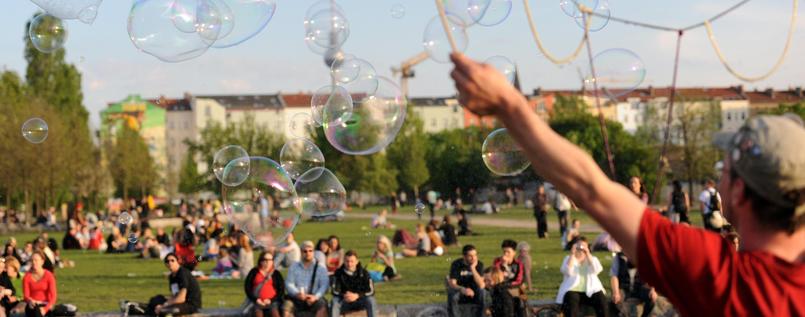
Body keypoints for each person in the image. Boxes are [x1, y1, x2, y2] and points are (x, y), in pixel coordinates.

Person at [449, 54, 805, 315]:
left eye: (724, 169)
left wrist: (508, 104)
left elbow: (590, 188)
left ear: (740, 192)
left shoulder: (720, 277)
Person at [556, 238, 608, 317]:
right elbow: (566, 271)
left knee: (601, 299)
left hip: (591, 290)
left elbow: (597, 269)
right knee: (571, 300)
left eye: (583, 246)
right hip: (573, 290)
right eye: (578, 245)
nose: (581, 248)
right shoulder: (568, 258)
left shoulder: (592, 259)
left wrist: (588, 254)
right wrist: (572, 255)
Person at [284, 241, 328, 317]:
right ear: (301, 252)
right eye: (305, 251)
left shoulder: (321, 267)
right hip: (297, 297)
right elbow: (289, 283)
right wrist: (297, 294)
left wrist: (316, 297)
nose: (308, 253)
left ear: (313, 252)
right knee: (287, 307)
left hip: (314, 298)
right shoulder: (294, 266)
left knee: (322, 306)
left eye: (310, 251)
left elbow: (324, 285)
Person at [331, 250, 377, 317]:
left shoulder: (364, 273)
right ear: (344, 261)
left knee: (371, 300)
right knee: (335, 301)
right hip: (344, 301)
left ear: (357, 261)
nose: (349, 264)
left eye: (352, 261)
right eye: (347, 261)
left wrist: (357, 295)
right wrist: (345, 295)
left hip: (360, 301)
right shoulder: (338, 273)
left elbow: (371, 291)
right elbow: (334, 291)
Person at [610, 252, 656, 317]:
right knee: (615, 301)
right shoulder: (618, 257)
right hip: (623, 287)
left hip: (640, 287)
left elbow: (650, 274)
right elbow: (614, 276)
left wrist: (652, 290)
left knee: (652, 298)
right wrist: (616, 292)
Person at [446, 245, 486, 317]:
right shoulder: (456, 264)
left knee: (482, 293)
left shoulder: (479, 265)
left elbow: (481, 285)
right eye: (470, 256)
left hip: (475, 291)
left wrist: (473, 269)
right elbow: (452, 283)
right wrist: (462, 289)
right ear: (464, 256)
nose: (473, 258)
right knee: (452, 295)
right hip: (460, 290)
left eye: (475, 255)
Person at [244, 251, 284, 317]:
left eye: (270, 260)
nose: (268, 262)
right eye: (265, 260)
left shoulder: (276, 273)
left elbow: (281, 290)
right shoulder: (254, 272)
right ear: (261, 261)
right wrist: (256, 300)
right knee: (258, 314)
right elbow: (247, 287)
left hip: (272, 301)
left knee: (275, 314)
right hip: (257, 301)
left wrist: (271, 300)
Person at [493, 239, 526, 317]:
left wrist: (507, 285)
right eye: (504, 252)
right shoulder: (497, 261)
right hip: (499, 288)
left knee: (517, 299)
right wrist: (503, 265)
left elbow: (519, 280)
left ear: (514, 253)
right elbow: (495, 277)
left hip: (513, 287)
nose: (506, 254)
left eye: (508, 252)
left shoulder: (518, 264)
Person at [22, 252, 56, 317]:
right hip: (32, 304)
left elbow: (53, 296)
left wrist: (45, 309)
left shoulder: (49, 275)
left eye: (36, 260)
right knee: (35, 309)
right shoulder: (27, 277)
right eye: (32, 260)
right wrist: (30, 301)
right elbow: (26, 296)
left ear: (42, 261)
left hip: (46, 304)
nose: (34, 262)